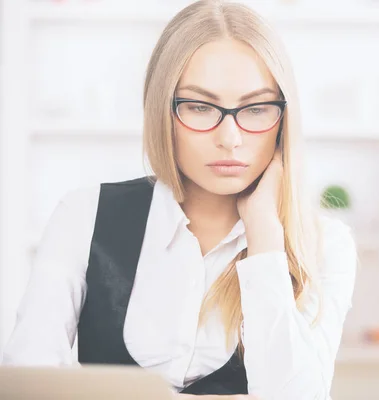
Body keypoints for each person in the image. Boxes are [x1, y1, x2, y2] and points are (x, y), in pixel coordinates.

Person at [0, 1, 357, 399]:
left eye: (256, 109)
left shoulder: (324, 245)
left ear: (283, 118)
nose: (230, 138)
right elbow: (29, 382)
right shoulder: (84, 215)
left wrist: (265, 238)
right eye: (200, 107)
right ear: (162, 110)